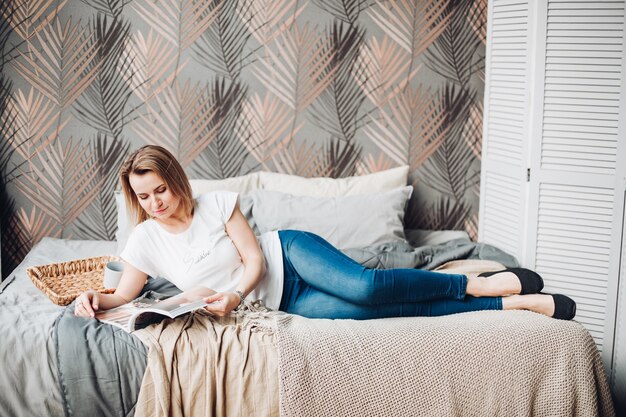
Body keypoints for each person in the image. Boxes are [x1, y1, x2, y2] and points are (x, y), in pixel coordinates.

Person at [74, 145, 576, 321]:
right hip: (278, 304)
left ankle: (479, 282)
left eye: (160, 189)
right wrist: (90, 300)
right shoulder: (144, 241)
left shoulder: (217, 204)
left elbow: (255, 263)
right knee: (372, 314)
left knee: (366, 286)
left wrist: (230, 297)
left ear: (175, 181)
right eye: (143, 196)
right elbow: (122, 295)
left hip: (287, 257)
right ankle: (509, 305)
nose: (155, 203)